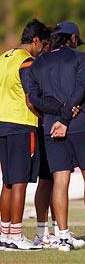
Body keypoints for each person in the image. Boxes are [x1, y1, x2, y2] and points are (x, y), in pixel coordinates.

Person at [28, 21, 85, 252]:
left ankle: (63, 237)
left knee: (60, 181)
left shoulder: (37, 63)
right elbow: (79, 91)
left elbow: (35, 99)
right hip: (79, 124)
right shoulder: (80, 58)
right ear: (71, 38)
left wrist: (58, 117)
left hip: (51, 127)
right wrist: (66, 116)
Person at [0, 19, 50, 250]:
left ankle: (5, 233)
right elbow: (31, 100)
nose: (43, 49)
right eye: (44, 43)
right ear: (36, 40)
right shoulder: (27, 62)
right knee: (19, 182)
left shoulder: (3, 57)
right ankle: (17, 235)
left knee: (8, 182)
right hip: (22, 124)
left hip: (2, 124)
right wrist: (46, 117)